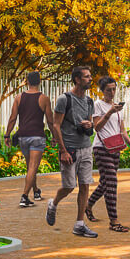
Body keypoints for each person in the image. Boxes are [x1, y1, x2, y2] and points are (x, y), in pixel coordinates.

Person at [45, 66, 98, 238]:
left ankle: (79, 224)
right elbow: (56, 125)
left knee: (85, 185)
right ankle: (53, 203)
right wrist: (63, 150)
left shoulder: (90, 101)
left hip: (85, 147)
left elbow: (90, 123)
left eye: (90, 76)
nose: (90, 79)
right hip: (69, 150)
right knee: (69, 186)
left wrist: (90, 125)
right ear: (76, 79)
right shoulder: (64, 99)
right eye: (86, 77)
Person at [88, 76, 130, 232]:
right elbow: (97, 127)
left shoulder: (117, 108)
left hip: (115, 147)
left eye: (113, 89)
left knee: (105, 183)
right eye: (108, 90)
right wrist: (109, 112)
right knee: (112, 182)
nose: (111, 92)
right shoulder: (98, 105)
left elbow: (122, 130)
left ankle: (88, 205)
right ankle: (114, 221)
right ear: (102, 91)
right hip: (101, 147)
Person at [4, 71, 56, 208]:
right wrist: (54, 136)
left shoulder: (18, 97)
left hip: (23, 136)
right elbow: (50, 120)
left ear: (27, 81)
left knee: (30, 167)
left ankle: (36, 191)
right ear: (39, 82)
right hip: (37, 136)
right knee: (33, 167)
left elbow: (13, 118)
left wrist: (7, 135)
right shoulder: (44, 98)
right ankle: (24, 196)